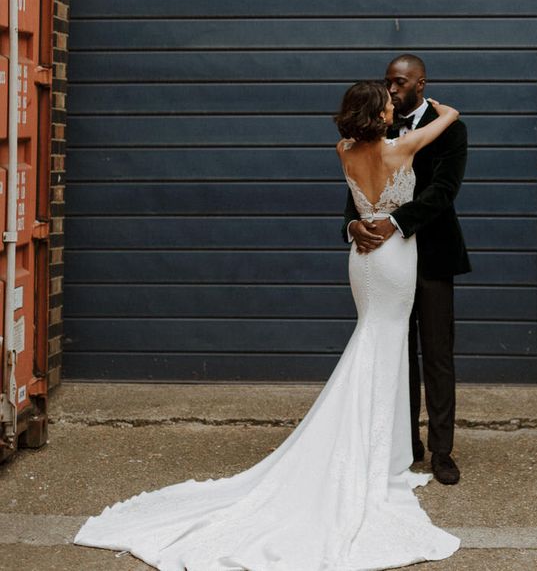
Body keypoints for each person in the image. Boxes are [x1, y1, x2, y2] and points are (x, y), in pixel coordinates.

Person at [74, 81, 461, 571]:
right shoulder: (400, 146)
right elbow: (447, 119)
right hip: (392, 257)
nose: (392, 108)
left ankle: (382, 454)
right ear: (378, 115)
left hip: (360, 259)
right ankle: (373, 457)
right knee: (382, 345)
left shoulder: (343, 149)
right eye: (386, 104)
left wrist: (355, 223)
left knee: (373, 340)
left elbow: (360, 195)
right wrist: (444, 109)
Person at [344, 55, 470, 486]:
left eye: (399, 83)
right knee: (395, 352)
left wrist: (395, 222)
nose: (392, 90)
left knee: (436, 354)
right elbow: (357, 186)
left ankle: (441, 451)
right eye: (387, 83)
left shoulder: (448, 127)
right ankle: (403, 442)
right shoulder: (374, 128)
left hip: (430, 256)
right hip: (383, 261)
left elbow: (444, 191)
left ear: (421, 83)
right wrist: (354, 224)